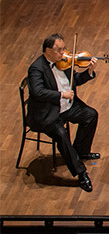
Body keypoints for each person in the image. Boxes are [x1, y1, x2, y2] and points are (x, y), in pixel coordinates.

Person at [27, 33, 100, 192]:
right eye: (59, 50)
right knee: (61, 134)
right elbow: (38, 92)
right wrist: (61, 94)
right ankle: (81, 174)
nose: (63, 53)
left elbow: (75, 81)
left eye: (64, 49)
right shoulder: (36, 69)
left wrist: (89, 71)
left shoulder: (63, 62)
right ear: (48, 50)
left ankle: (80, 151)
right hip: (48, 113)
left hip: (66, 106)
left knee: (91, 115)